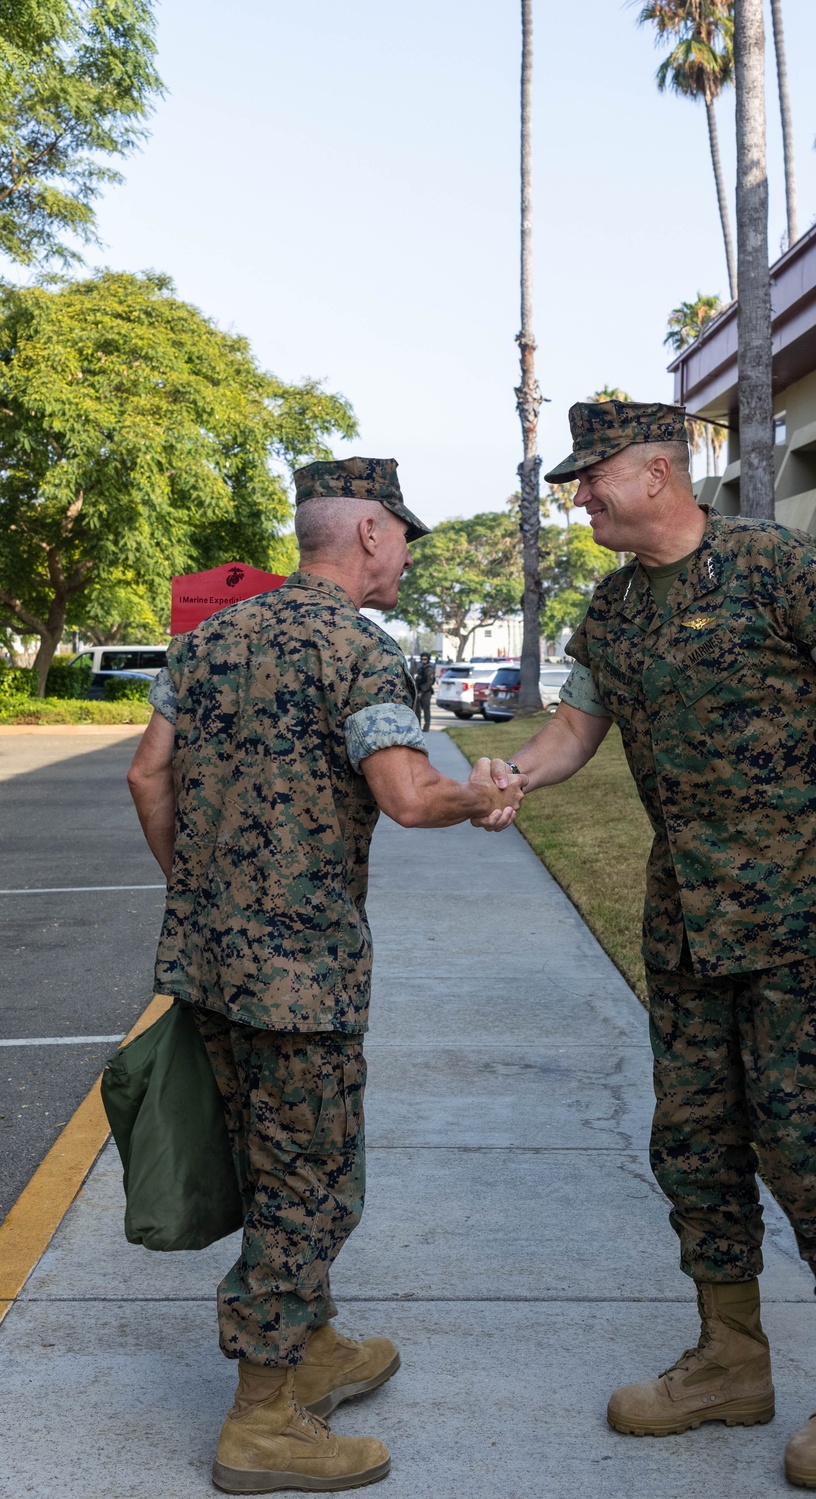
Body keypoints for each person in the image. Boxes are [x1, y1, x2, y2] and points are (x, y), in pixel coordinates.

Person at [495, 401, 816, 1489]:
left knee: (811, 1140)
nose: (579, 497)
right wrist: (511, 779)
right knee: (692, 1140)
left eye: (591, 477)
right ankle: (731, 1354)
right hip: (685, 921)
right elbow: (574, 729)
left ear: (656, 470)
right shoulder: (616, 609)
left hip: (798, 917)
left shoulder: (782, 567)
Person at [126, 456, 522, 1495]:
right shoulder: (356, 647)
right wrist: (474, 798)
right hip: (302, 975)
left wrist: (206, 895)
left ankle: (314, 1341)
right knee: (310, 1178)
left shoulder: (207, 637)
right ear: (371, 535)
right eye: (404, 537)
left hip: (212, 959)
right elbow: (404, 792)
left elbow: (146, 773)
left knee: (267, 1159)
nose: (404, 557)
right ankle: (264, 1414)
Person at [414, 651, 435, 732]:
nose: (423, 661)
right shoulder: (420, 669)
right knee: (417, 711)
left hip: (425, 692)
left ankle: (426, 727)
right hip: (419, 692)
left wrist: (421, 692)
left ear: (428, 659)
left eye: (425, 659)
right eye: (422, 659)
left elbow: (429, 682)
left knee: (426, 710)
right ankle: (418, 727)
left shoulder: (429, 669)